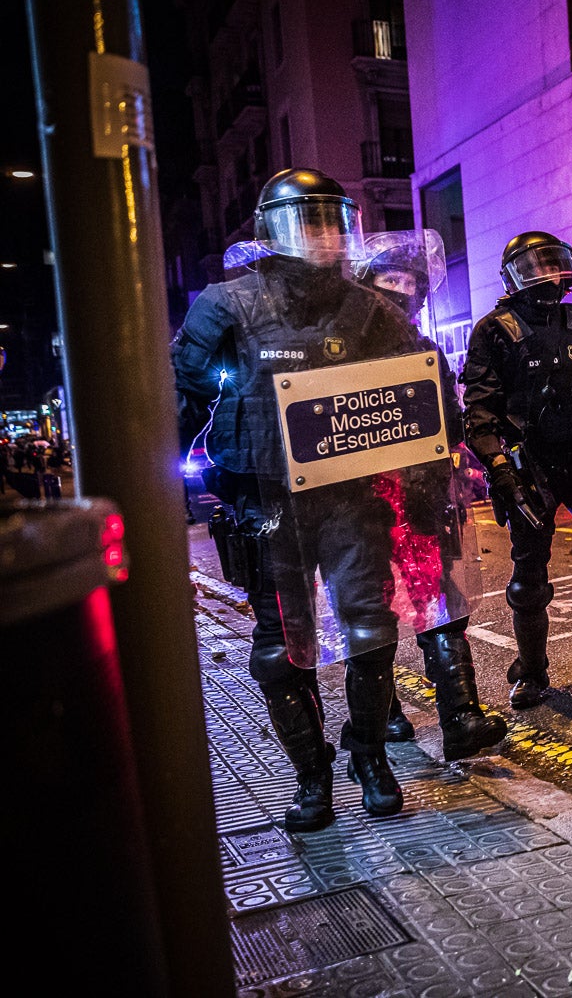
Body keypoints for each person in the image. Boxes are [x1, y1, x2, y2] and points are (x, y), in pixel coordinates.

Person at [172, 168, 418, 830]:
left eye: (329, 219)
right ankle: (313, 776)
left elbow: (415, 394)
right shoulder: (226, 304)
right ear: (272, 231)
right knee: (283, 649)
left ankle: (370, 756)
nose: (319, 234)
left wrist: (432, 480)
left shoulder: (370, 308)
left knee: (370, 630)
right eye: (304, 220)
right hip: (264, 502)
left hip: (348, 495)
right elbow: (182, 393)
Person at [460, 231, 572, 708]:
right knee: (528, 578)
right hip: (529, 465)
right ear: (514, 276)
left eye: (554, 263)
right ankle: (533, 672)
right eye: (535, 265)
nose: (547, 273)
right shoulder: (495, 330)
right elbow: (478, 412)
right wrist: (500, 468)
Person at [354, 232, 510, 761]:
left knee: (443, 604)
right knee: (370, 611)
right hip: (361, 503)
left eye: (409, 283)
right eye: (389, 279)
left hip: (421, 497)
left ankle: (461, 717)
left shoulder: (424, 349)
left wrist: (459, 462)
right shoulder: (341, 349)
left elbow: (448, 418)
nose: (400, 291)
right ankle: (383, 711)